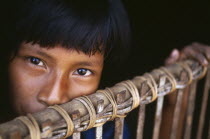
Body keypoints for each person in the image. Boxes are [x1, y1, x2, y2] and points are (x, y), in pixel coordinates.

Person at [0, 0, 209, 138]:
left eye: (82, 72)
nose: (54, 96)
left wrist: (178, 97)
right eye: (36, 61)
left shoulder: (103, 131)